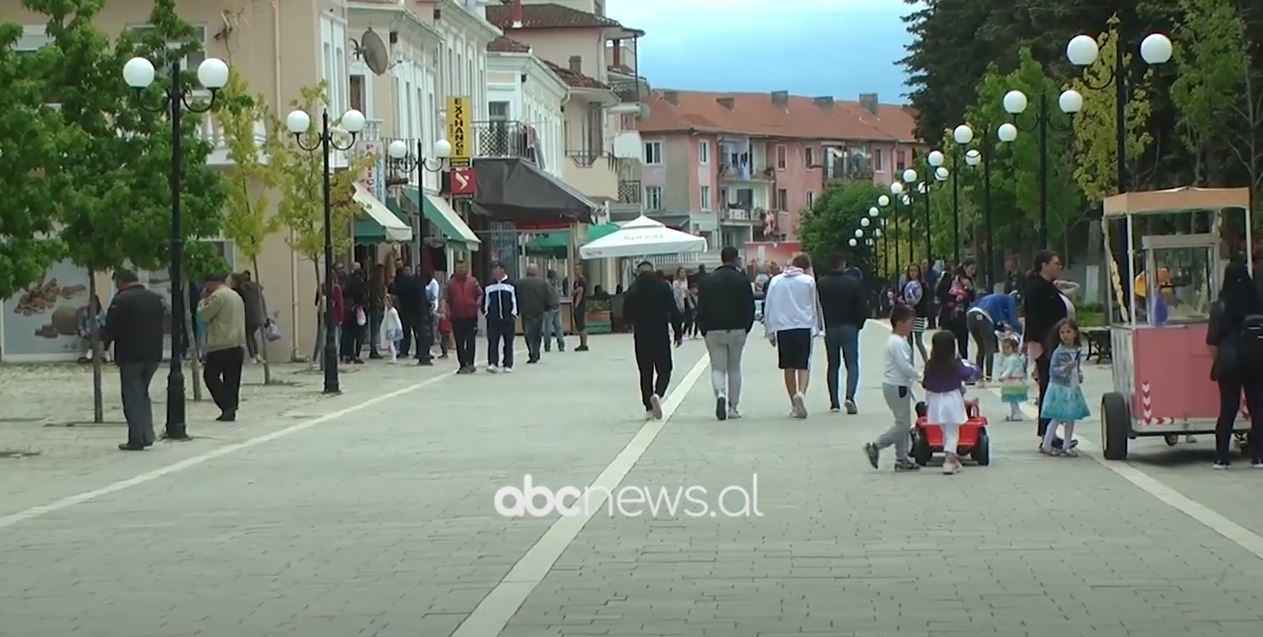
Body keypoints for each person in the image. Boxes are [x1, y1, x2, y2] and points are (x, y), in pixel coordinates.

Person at [1207, 262, 1263, 468]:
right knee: (1258, 409)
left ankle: (1222, 457)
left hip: (1230, 363)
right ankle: (1258, 456)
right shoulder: (1258, 302)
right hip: (1256, 362)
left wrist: (1220, 360)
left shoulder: (1220, 306)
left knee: (1228, 409)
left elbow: (1212, 342)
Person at [105, 270, 165, 451]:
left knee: (132, 396)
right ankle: (147, 434)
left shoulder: (121, 300)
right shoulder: (156, 298)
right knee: (142, 394)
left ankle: (137, 437)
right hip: (153, 354)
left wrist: (103, 345)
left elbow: (111, 328)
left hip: (130, 355)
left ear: (120, 281)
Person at [697, 246, 755, 421]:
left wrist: (704, 329)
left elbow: (701, 308)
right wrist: (746, 327)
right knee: (734, 368)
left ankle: (720, 394)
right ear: (736, 259)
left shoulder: (707, 281)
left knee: (717, 367)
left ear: (721, 259)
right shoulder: (742, 280)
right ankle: (733, 407)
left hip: (714, 329)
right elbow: (750, 306)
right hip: (737, 328)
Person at [763, 254, 823, 419]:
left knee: (788, 366)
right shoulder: (808, 281)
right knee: (803, 364)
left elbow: (769, 305)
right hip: (803, 326)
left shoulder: (776, 281)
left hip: (784, 328)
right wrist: (816, 327)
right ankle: (801, 393)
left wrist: (769, 330)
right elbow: (813, 304)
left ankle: (793, 403)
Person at [862, 304, 920, 471]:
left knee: (902, 422)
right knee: (903, 424)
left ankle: (901, 458)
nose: (911, 326)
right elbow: (904, 366)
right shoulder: (897, 343)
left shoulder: (897, 341)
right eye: (910, 322)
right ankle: (877, 445)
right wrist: (920, 376)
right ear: (900, 323)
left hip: (896, 385)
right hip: (897, 386)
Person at [1023, 250, 1071, 449]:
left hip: (1052, 342)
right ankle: (1047, 432)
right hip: (1046, 343)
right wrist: (1043, 344)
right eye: (1056, 263)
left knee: (1051, 387)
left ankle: (1048, 431)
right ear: (1044, 265)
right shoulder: (1037, 288)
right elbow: (1035, 319)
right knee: (1049, 387)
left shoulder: (1048, 287)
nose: (1059, 267)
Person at [623, 260, 682, 419]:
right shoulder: (663, 287)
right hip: (660, 333)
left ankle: (649, 407)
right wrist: (678, 332)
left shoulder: (633, 290)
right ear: (653, 271)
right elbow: (673, 311)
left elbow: (626, 316)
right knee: (665, 369)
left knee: (645, 371)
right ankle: (658, 393)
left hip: (641, 335)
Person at [818, 253, 867, 414]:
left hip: (830, 327)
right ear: (843, 264)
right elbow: (861, 306)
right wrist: (858, 324)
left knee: (833, 365)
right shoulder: (853, 283)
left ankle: (834, 402)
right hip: (849, 326)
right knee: (852, 363)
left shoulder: (822, 284)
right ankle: (850, 397)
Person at [199, 273, 247, 422]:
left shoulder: (217, 297)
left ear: (212, 283)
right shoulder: (235, 296)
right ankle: (230, 408)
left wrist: (203, 301)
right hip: (236, 343)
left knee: (210, 376)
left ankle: (227, 405)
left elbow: (204, 315)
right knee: (232, 380)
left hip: (221, 344)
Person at [1039, 318, 1090, 456]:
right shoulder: (1059, 352)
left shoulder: (1076, 350)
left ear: (1075, 333)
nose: (1065, 335)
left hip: (1072, 387)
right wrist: (1064, 369)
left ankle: (1067, 444)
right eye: (1062, 332)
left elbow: (1077, 366)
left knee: (1070, 417)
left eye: (1068, 331)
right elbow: (1052, 370)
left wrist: (1078, 373)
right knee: (1057, 417)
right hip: (1060, 388)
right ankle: (1047, 444)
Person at [923, 330, 971, 474]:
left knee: (944, 430)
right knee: (953, 431)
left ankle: (952, 459)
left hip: (936, 400)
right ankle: (949, 461)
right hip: (952, 398)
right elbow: (966, 374)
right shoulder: (954, 363)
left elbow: (926, 383)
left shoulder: (931, 364)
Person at [967, 291, 1021, 384]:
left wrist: (1002, 327)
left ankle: (979, 376)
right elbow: (1012, 319)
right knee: (989, 348)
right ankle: (988, 377)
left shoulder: (991, 297)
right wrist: (1020, 330)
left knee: (981, 348)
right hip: (984, 317)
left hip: (970, 315)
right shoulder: (1010, 299)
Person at [446, 261, 482, 374]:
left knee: (470, 340)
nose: (461, 269)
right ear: (455, 269)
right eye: (458, 267)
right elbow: (446, 298)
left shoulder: (473, 282)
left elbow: (480, 293)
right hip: (457, 316)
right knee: (459, 341)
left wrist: (477, 303)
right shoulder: (450, 283)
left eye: (463, 267)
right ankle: (462, 363)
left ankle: (470, 363)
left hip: (471, 316)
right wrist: (446, 310)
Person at [483, 262, 517, 373]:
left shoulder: (511, 284)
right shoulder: (489, 285)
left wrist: (514, 314)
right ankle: (493, 363)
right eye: (493, 270)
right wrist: (486, 314)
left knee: (508, 342)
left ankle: (507, 364)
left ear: (503, 270)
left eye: (496, 270)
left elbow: (516, 300)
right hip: (493, 319)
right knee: (493, 341)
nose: (494, 272)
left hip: (508, 318)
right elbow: (485, 301)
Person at [938, 261, 976, 359]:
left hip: (962, 317)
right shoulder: (949, 278)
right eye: (971, 269)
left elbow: (972, 298)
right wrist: (954, 298)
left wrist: (970, 289)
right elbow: (940, 293)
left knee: (963, 346)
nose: (973, 272)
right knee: (947, 345)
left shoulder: (968, 281)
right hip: (949, 315)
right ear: (964, 267)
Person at [516, 264, 550, 364]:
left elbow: (517, 296)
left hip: (526, 311)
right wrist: (546, 308)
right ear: (537, 271)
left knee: (527, 333)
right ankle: (536, 352)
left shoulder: (520, 283)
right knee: (537, 334)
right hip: (539, 311)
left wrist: (517, 309)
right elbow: (547, 296)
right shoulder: (543, 283)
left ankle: (532, 352)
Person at [901, 264, 931, 363]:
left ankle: (927, 363)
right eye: (911, 271)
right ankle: (910, 364)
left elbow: (925, 299)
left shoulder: (922, 285)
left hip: (919, 314)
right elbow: (903, 298)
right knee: (909, 341)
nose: (913, 273)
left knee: (918, 340)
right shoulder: (906, 285)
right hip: (908, 315)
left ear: (919, 272)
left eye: (915, 271)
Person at [996, 333, 1028, 421]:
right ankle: (1014, 414)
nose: (1005, 350)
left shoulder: (1012, 359)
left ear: (1014, 348)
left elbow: (1009, 370)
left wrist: (1003, 377)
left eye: (1007, 348)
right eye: (1004, 348)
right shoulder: (1017, 358)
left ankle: (1017, 414)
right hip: (1015, 381)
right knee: (1013, 400)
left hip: (1013, 382)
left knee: (1013, 400)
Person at [340, 263, 367, 364]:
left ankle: (347, 354)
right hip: (356, 310)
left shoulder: (347, 281)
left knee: (348, 334)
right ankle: (354, 354)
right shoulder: (358, 283)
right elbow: (361, 295)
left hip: (348, 310)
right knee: (358, 334)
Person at [366, 264, 387, 360]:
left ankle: (374, 348)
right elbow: (374, 297)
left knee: (375, 329)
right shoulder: (376, 284)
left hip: (377, 308)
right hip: (376, 308)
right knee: (375, 330)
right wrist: (380, 303)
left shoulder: (377, 283)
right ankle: (373, 349)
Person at [543, 270, 566, 352]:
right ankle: (547, 345)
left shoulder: (556, 285)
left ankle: (561, 344)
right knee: (548, 329)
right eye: (556, 277)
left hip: (557, 308)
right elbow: (544, 297)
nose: (556, 279)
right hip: (549, 309)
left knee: (558, 327)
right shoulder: (546, 285)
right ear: (552, 277)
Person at [571, 264, 590, 352]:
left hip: (580, 306)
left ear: (581, 270)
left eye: (577, 270)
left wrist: (576, 305)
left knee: (581, 325)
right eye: (574, 270)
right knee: (579, 325)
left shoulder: (582, 281)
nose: (575, 272)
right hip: (578, 305)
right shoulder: (576, 281)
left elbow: (580, 291)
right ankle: (582, 343)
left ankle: (584, 344)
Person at [380, 293, 404, 363]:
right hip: (389, 328)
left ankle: (394, 357)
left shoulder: (393, 311)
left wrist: (399, 328)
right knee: (391, 344)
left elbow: (397, 320)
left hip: (392, 329)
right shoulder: (388, 310)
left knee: (391, 344)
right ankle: (393, 357)